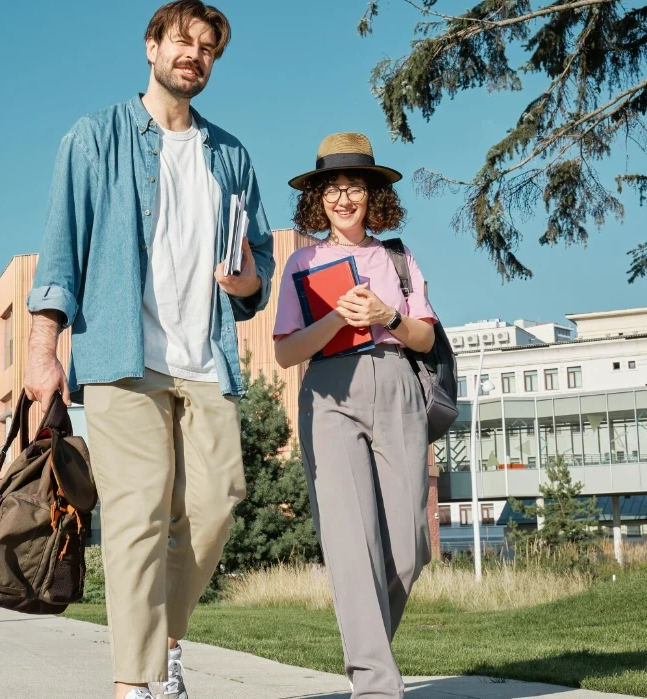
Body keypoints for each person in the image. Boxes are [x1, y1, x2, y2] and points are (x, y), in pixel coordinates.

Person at [23, 3, 274, 698]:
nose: (194, 55)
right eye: (183, 42)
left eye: (208, 49)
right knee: (138, 515)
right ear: (152, 47)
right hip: (120, 356)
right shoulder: (94, 137)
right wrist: (43, 348)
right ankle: (135, 686)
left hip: (205, 359)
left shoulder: (230, 155)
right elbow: (60, 251)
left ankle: (162, 643)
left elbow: (259, 260)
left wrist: (246, 279)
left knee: (220, 501)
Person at [272, 133, 437, 698]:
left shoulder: (398, 256)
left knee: (411, 547)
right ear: (317, 198)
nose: (343, 199)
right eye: (332, 188)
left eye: (355, 188)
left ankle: (370, 652)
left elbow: (422, 338)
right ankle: (375, 686)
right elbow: (286, 352)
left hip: (396, 385)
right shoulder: (302, 260)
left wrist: (385, 312)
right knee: (351, 542)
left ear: (373, 196)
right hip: (329, 394)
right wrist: (338, 321)